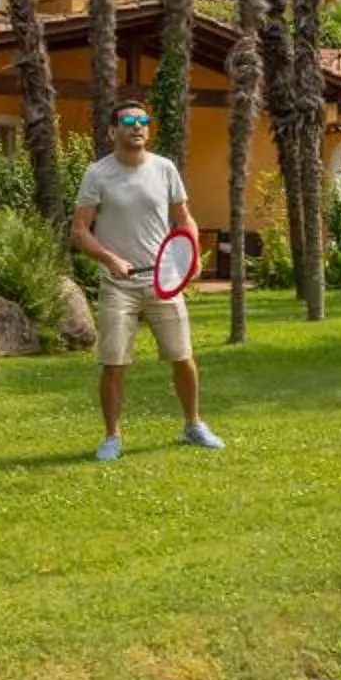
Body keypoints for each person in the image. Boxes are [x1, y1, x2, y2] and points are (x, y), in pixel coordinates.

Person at [68, 102, 217, 462]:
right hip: (118, 284)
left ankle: (193, 424)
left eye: (143, 121)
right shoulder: (97, 174)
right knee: (114, 362)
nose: (137, 126)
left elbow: (185, 220)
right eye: (128, 121)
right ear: (111, 132)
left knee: (182, 356)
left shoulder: (164, 169)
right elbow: (79, 231)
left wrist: (190, 255)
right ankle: (112, 437)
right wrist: (110, 259)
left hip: (163, 279)